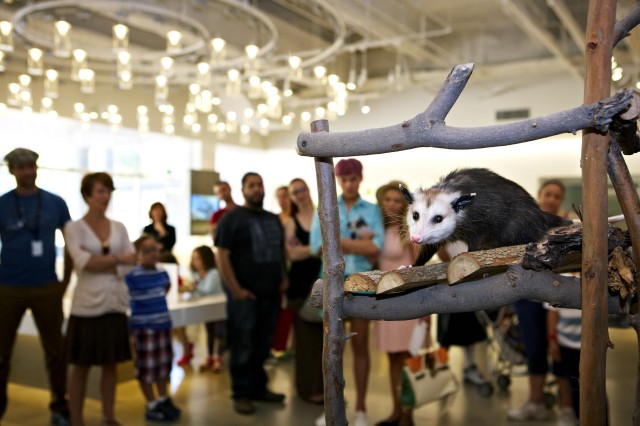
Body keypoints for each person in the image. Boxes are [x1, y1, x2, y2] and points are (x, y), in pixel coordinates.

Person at [310, 158, 384, 426]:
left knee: (361, 347)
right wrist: (357, 243)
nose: (349, 184)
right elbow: (315, 246)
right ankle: (333, 405)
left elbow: (376, 248)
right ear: (338, 181)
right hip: (331, 286)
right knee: (331, 348)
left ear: (360, 179)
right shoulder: (326, 207)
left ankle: (362, 408)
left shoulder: (371, 210)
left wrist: (337, 241)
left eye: (353, 179)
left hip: (362, 285)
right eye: (344, 179)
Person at [0, 148, 72, 426]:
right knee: (2, 354)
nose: (27, 171)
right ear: (12, 171)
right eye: (21, 167)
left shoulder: (55, 203)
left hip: (46, 286)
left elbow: (71, 245)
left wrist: (64, 283)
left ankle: (59, 406)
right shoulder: (3, 204)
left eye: (31, 166)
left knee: (56, 352)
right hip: (8, 288)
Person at [63, 172, 137, 426]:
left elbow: (132, 262)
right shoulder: (73, 228)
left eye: (108, 191)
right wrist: (117, 259)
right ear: (87, 195)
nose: (105, 197)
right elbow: (83, 264)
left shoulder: (119, 227)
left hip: (115, 302)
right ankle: (76, 419)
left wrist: (103, 263)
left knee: (110, 364)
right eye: (100, 192)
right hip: (86, 305)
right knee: (81, 365)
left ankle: (108, 416)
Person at [214, 172, 289, 416]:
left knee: (262, 346)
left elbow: (280, 251)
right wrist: (236, 290)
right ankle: (241, 394)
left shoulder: (272, 218)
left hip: (270, 294)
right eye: (251, 185)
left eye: (260, 185)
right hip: (244, 296)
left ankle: (259, 389)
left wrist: (283, 277)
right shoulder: (231, 218)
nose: (257, 189)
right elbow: (222, 255)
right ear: (243, 189)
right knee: (243, 346)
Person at [507, 179, 571, 421]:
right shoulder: (526, 222)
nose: (552, 199)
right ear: (539, 195)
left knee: (561, 350)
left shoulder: (568, 224)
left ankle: (567, 407)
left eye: (557, 196)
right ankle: (535, 403)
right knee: (534, 349)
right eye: (548, 194)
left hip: (558, 295)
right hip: (529, 296)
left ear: (561, 199)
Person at [372, 181, 426, 426]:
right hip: (386, 300)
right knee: (393, 359)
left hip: (409, 301)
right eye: (388, 199)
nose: (392, 204)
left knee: (408, 360)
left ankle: (408, 414)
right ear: (381, 202)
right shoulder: (376, 230)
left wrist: (425, 310)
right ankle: (396, 411)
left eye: (397, 200)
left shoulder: (410, 232)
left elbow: (420, 270)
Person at [124, 234, 181, 422]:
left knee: (163, 365)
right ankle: (151, 403)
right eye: (146, 251)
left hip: (162, 326)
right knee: (147, 368)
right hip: (143, 328)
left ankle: (164, 398)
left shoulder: (162, 273)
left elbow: (166, 288)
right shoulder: (132, 276)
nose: (152, 254)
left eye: (154, 250)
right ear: (137, 254)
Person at [283, 178, 323, 403]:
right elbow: (292, 255)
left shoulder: (321, 214)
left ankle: (323, 387)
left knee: (322, 340)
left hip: (321, 282)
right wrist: (316, 248)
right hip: (300, 287)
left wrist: (305, 249)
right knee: (306, 341)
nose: (300, 194)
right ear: (291, 197)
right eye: (295, 192)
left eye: (302, 189)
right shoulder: (291, 222)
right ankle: (308, 389)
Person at [189, 245, 227, 372]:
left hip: (218, 307)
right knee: (209, 333)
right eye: (194, 258)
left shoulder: (213, 273)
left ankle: (218, 358)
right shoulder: (197, 275)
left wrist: (193, 288)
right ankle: (210, 357)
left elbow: (207, 290)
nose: (196, 262)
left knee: (219, 333)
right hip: (207, 309)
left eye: (198, 258)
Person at [546, 303, 581, 426]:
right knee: (562, 375)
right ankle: (567, 409)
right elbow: (552, 312)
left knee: (582, 382)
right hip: (563, 341)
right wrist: (552, 340)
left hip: (585, 343)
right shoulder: (556, 284)